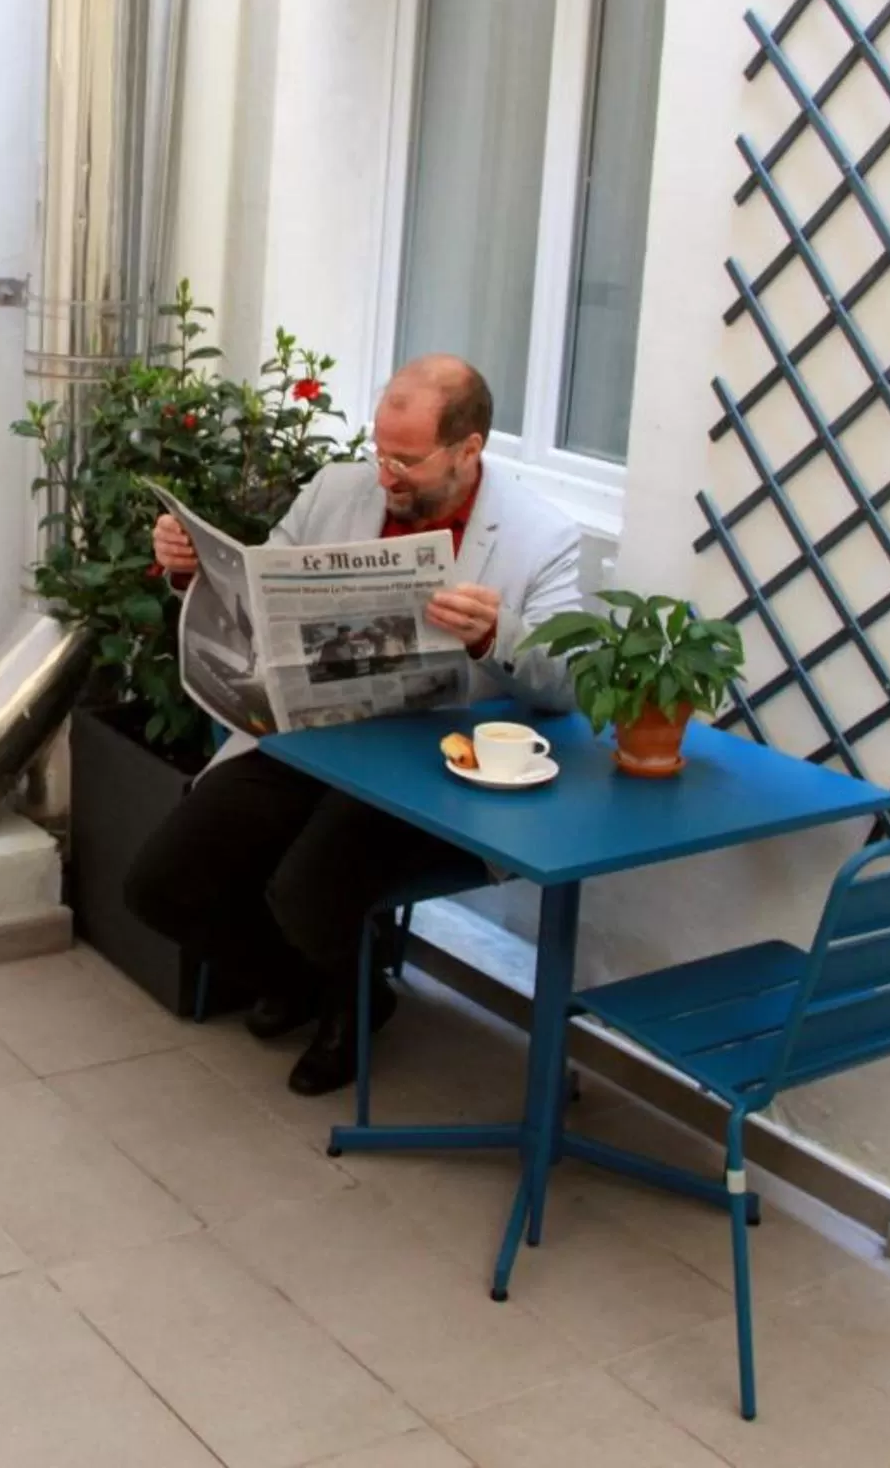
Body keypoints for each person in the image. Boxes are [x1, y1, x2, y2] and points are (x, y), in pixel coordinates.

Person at [128, 355, 583, 1095]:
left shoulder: (543, 536)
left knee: (306, 889)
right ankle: (317, 982)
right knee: (160, 884)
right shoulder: (335, 489)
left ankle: (352, 1002)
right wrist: (191, 572)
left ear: (469, 450)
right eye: (380, 451)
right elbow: (258, 591)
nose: (385, 475)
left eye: (406, 460)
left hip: (429, 766)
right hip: (312, 735)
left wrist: (494, 637)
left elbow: (566, 689)